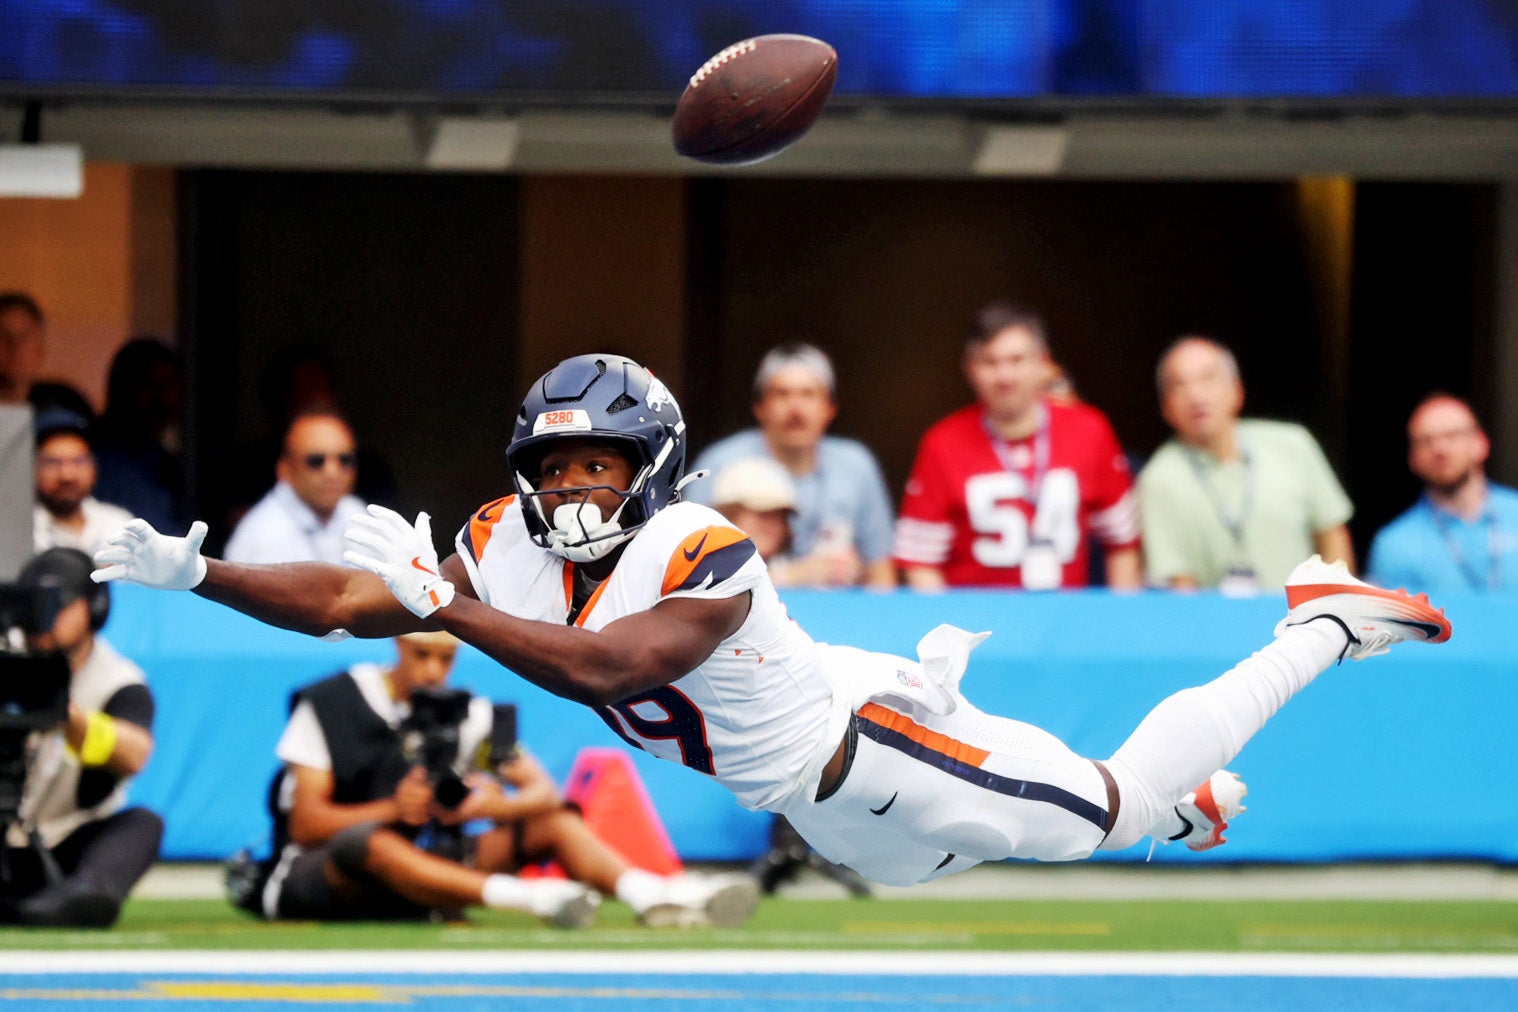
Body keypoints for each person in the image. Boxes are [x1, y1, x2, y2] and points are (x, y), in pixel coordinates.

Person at [92, 353, 1451, 892]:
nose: (570, 490)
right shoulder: (499, 546)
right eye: (553, 468)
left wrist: (436, 600)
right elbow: (342, 598)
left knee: (1097, 813)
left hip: (871, 740)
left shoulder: (703, 544)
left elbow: (612, 664)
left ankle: (1317, 628)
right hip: (827, 805)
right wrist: (189, 573)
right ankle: (1185, 802)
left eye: (596, 468)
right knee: (1002, 850)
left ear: (653, 469)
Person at [243, 629, 755, 927]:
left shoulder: (468, 716)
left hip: (427, 866)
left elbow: (541, 792)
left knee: (553, 821)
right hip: (326, 870)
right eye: (421, 654)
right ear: (397, 644)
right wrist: (393, 810)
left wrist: (491, 807)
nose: (433, 671)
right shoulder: (333, 703)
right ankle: (531, 899)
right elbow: (307, 823)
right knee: (371, 842)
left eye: (445, 657)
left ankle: (650, 893)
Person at [894, 302, 1141, 590]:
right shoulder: (941, 444)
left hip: (1068, 621)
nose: (1005, 377)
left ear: (1043, 363)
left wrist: (1119, 624)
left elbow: (1123, 544)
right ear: (970, 369)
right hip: (978, 626)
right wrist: (951, 630)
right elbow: (920, 563)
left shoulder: (1090, 430)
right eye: (990, 362)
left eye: (1016, 360)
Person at [1, 548, 162, 927]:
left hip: (64, 842)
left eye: (59, 605)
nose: (45, 619)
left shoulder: (119, 682)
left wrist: (67, 716)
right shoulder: (5, 658)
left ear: (95, 608)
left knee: (143, 823)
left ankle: (86, 895)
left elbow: (135, 754)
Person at [1138, 336, 1354, 594]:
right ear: (1165, 407)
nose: (1196, 395)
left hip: (1306, 621)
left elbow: (1332, 534)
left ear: (1237, 391)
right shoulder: (1157, 478)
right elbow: (1179, 585)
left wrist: (1333, 611)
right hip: (1215, 626)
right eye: (1180, 385)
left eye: (1207, 379)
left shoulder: (1293, 444)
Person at [687, 344, 896, 589]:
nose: (795, 408)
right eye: (782, 394)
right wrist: (793, 575)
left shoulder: (856, 464)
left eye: (808, 394)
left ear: (830, 408)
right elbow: (689, 566)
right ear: (759, 407)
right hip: (745, 613)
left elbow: (880, 569)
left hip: (841, 614)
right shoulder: (718, 463)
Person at [1367, 393, 1518, 593]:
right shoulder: (1394, 544)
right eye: (1425, 441)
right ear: (1412, 458)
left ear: (1481, 443)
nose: (1440, 448)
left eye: (1452, 435)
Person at [223, 412, 369, 565]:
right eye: (316, 461)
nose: (332, 472)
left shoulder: (356, 512)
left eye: (345, 460)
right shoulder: (260, 539)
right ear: (284, 469)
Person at [92, 337, 188, 536]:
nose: (162, 399)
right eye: (149, 385)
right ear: (122, 388)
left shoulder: (165, 462)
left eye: (169, 384)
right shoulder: (96, 458)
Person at [32, 409, 134, 556]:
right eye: (53, 463)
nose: (67, 475)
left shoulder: (120, 525)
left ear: (93, 467)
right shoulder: (21, 533)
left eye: (78, 461)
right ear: (34, 469)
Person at [0, 291, 46, 406]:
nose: (15, 346)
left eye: (24, 337)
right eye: (3, 336)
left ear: (40, 350)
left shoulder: (64, 417)